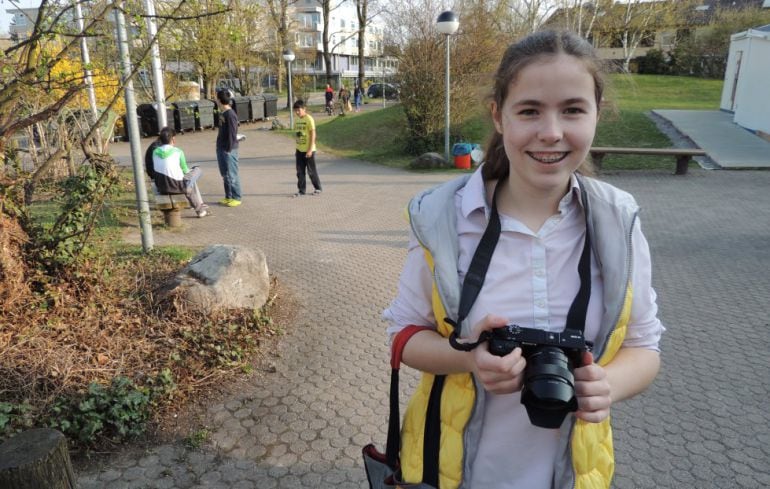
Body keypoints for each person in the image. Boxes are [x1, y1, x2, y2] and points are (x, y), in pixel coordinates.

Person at [382, 30, 664, 489]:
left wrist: (607, 384)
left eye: (573, 109)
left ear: (597, 112)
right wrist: (470, 360)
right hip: (452, 472)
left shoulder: (619, 222)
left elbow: (645, 348)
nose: (551, 132)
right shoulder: (442, 218)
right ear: (498, 115)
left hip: (572, 475)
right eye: (529, 110)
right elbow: (404, 334)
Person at [146, 127, 209, 218]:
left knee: (186, 184)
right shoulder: (178, 151)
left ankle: (198, 207)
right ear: (173, 139)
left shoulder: (155, 152)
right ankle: (200, 211)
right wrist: (191, 170)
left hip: (161, 187)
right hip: (177, 187)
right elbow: (185, 170)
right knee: (197, 171)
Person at [215, 89, 242, 207]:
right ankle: (228, 196)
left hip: (229, 150)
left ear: (220, 100)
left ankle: (237, 197)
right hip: (221, 148)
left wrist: (229, 149)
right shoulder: (223, 113)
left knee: (232, 174)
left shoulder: (231, 114)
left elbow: (232, 133)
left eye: (217, 98)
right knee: (225, 174)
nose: (216, 100)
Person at [292, 99, 322, 197]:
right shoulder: (297, 120)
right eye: (295, 110)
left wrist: (309, 150)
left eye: (298, 110)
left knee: (311, 171)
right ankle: (301, 190)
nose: (297, 112)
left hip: (309, 150)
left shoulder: (309, 119)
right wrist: (297, 149)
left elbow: (313, 134)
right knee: (300, 172)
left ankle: (318, 188)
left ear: (304, 109)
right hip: (299, 150)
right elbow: (298, 134)